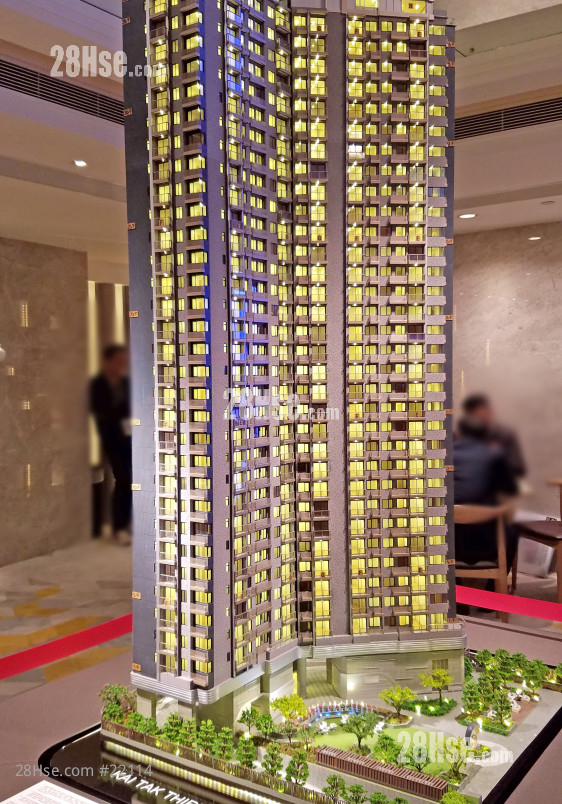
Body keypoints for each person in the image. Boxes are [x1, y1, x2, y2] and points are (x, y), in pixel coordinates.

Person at [453, 416, 518, 569]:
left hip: (449, 544)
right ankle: (495, 580)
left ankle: (456, 579)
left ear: (459, 433)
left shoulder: (445, 455)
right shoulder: (496, 455)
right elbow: (510, 488)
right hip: (489, 547)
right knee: (513, 530)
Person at [90, 345, 132, 545]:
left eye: (123, 361)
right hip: (110, 441)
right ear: (107, 362)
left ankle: (125, 524)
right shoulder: (97, 385)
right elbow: (101, 413)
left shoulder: (126, 383)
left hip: (130, 438)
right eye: (117, 360)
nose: (121, 365)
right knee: (124, 479)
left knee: (130, 481)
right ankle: (119, 527)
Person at [461, 393, 526, 479]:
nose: (479, 420)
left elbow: (519, 468)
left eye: (482, 416)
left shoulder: (506, 434)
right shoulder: (463, 437)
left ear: (490, 412)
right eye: (475, 417)